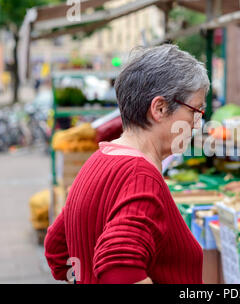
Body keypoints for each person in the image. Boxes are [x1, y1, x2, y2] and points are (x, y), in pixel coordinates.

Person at [44, 45, 209, 284]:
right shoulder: (141, 177)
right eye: (196, 110)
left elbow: (58, 251)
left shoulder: (97, 161)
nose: (197, 124)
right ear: (159, 108)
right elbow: (119, 269)